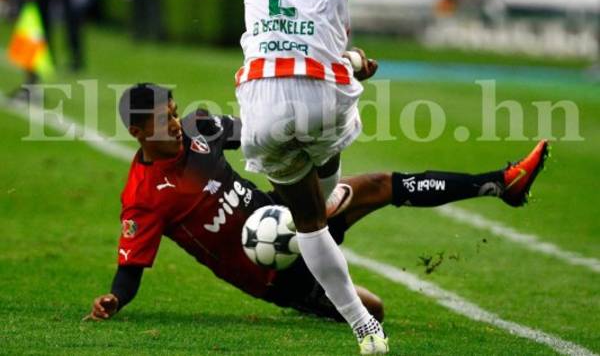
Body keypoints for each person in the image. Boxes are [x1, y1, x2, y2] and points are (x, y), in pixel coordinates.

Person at [235, 0, 517, 352]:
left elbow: (280, 30)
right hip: (319, 93)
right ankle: (331, 182)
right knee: (322, 200)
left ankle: (364, 327)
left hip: (258, 96)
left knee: (309, 224)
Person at [85, 83, 548, 339]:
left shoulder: (199, 128)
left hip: (284, 213)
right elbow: (131, 267)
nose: (174, 124)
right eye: (163, 121)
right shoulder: (144, 196)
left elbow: (260, 136)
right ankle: (315, 296)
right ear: (137, 132)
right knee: (374, 309)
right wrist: (115, 299)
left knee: (378, 185)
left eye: (173, 111)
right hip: (272, 274)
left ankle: (500, 183)